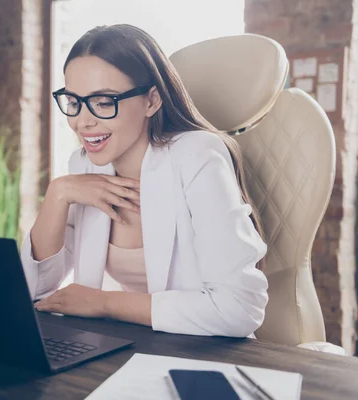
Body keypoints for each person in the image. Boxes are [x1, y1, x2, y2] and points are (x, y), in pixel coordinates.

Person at [20, 24, 268, 338]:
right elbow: (35, 290)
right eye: (73, 102)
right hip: (126, 347)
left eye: (104, 102)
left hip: (203, 354)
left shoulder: (197, 156)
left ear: (151, 101)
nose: (82, 121)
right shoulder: (83, 166)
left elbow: (240, 308)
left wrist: (105, 304)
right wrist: (58, 192)